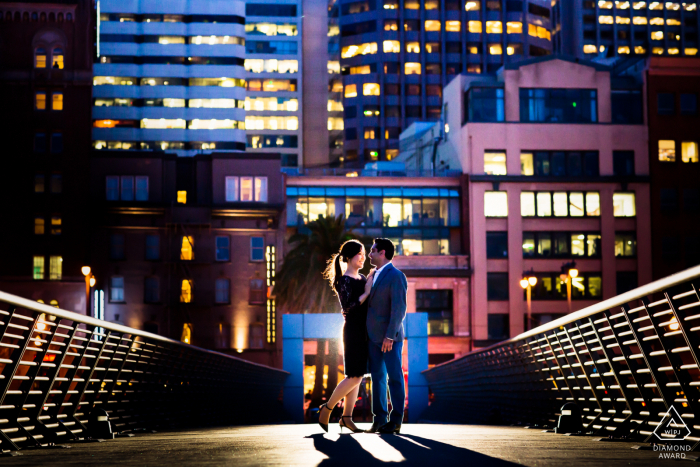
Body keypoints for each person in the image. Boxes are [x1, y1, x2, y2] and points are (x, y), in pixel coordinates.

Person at [317, 240, 375, 433]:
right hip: (352, 331)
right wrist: (367, 292)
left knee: (358, 377)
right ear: (350, 257)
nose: (364, 257)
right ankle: (327, 408)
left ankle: (346, 418)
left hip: (363, 331)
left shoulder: (362, 277)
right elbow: (348, 307)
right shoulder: (344, 281)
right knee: (354, 376)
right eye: (360, 253)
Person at [365, 238, 407, 434]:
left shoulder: (396, 276)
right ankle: (379, 420)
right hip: (373, 338)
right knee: (378, 378)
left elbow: (399, 308)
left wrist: (390, 336)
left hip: (390, 338)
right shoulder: (372, 275)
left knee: (395, 378)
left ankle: (396, 420)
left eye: (372, 250)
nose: (369, 254)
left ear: (382, 253)